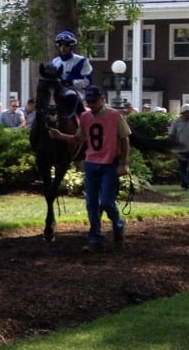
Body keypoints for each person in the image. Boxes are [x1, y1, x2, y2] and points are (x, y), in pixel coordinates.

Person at [48, 85, 129, 253]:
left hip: (109, 163)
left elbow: (125, 140)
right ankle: (95, 238)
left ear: (103, 99)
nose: (91, 104)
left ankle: (118, 224)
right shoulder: (85, 117)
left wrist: (123, 162)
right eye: (89, 101)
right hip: (91, 162)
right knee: (91, 203)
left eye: (94, 101)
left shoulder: (116, 116)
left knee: (106, 201)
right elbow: (79, 139)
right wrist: (60, 136)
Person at [50, 29, 93, 113]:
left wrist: (71, 82)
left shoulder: (81, 61)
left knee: (70, 96)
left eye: (66, 45)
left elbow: (88, 81)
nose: (63, 48)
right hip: (57, 91)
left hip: (76, 91)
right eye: (60, 45)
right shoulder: (54, 62)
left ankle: (82, 119)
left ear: (71, 46)